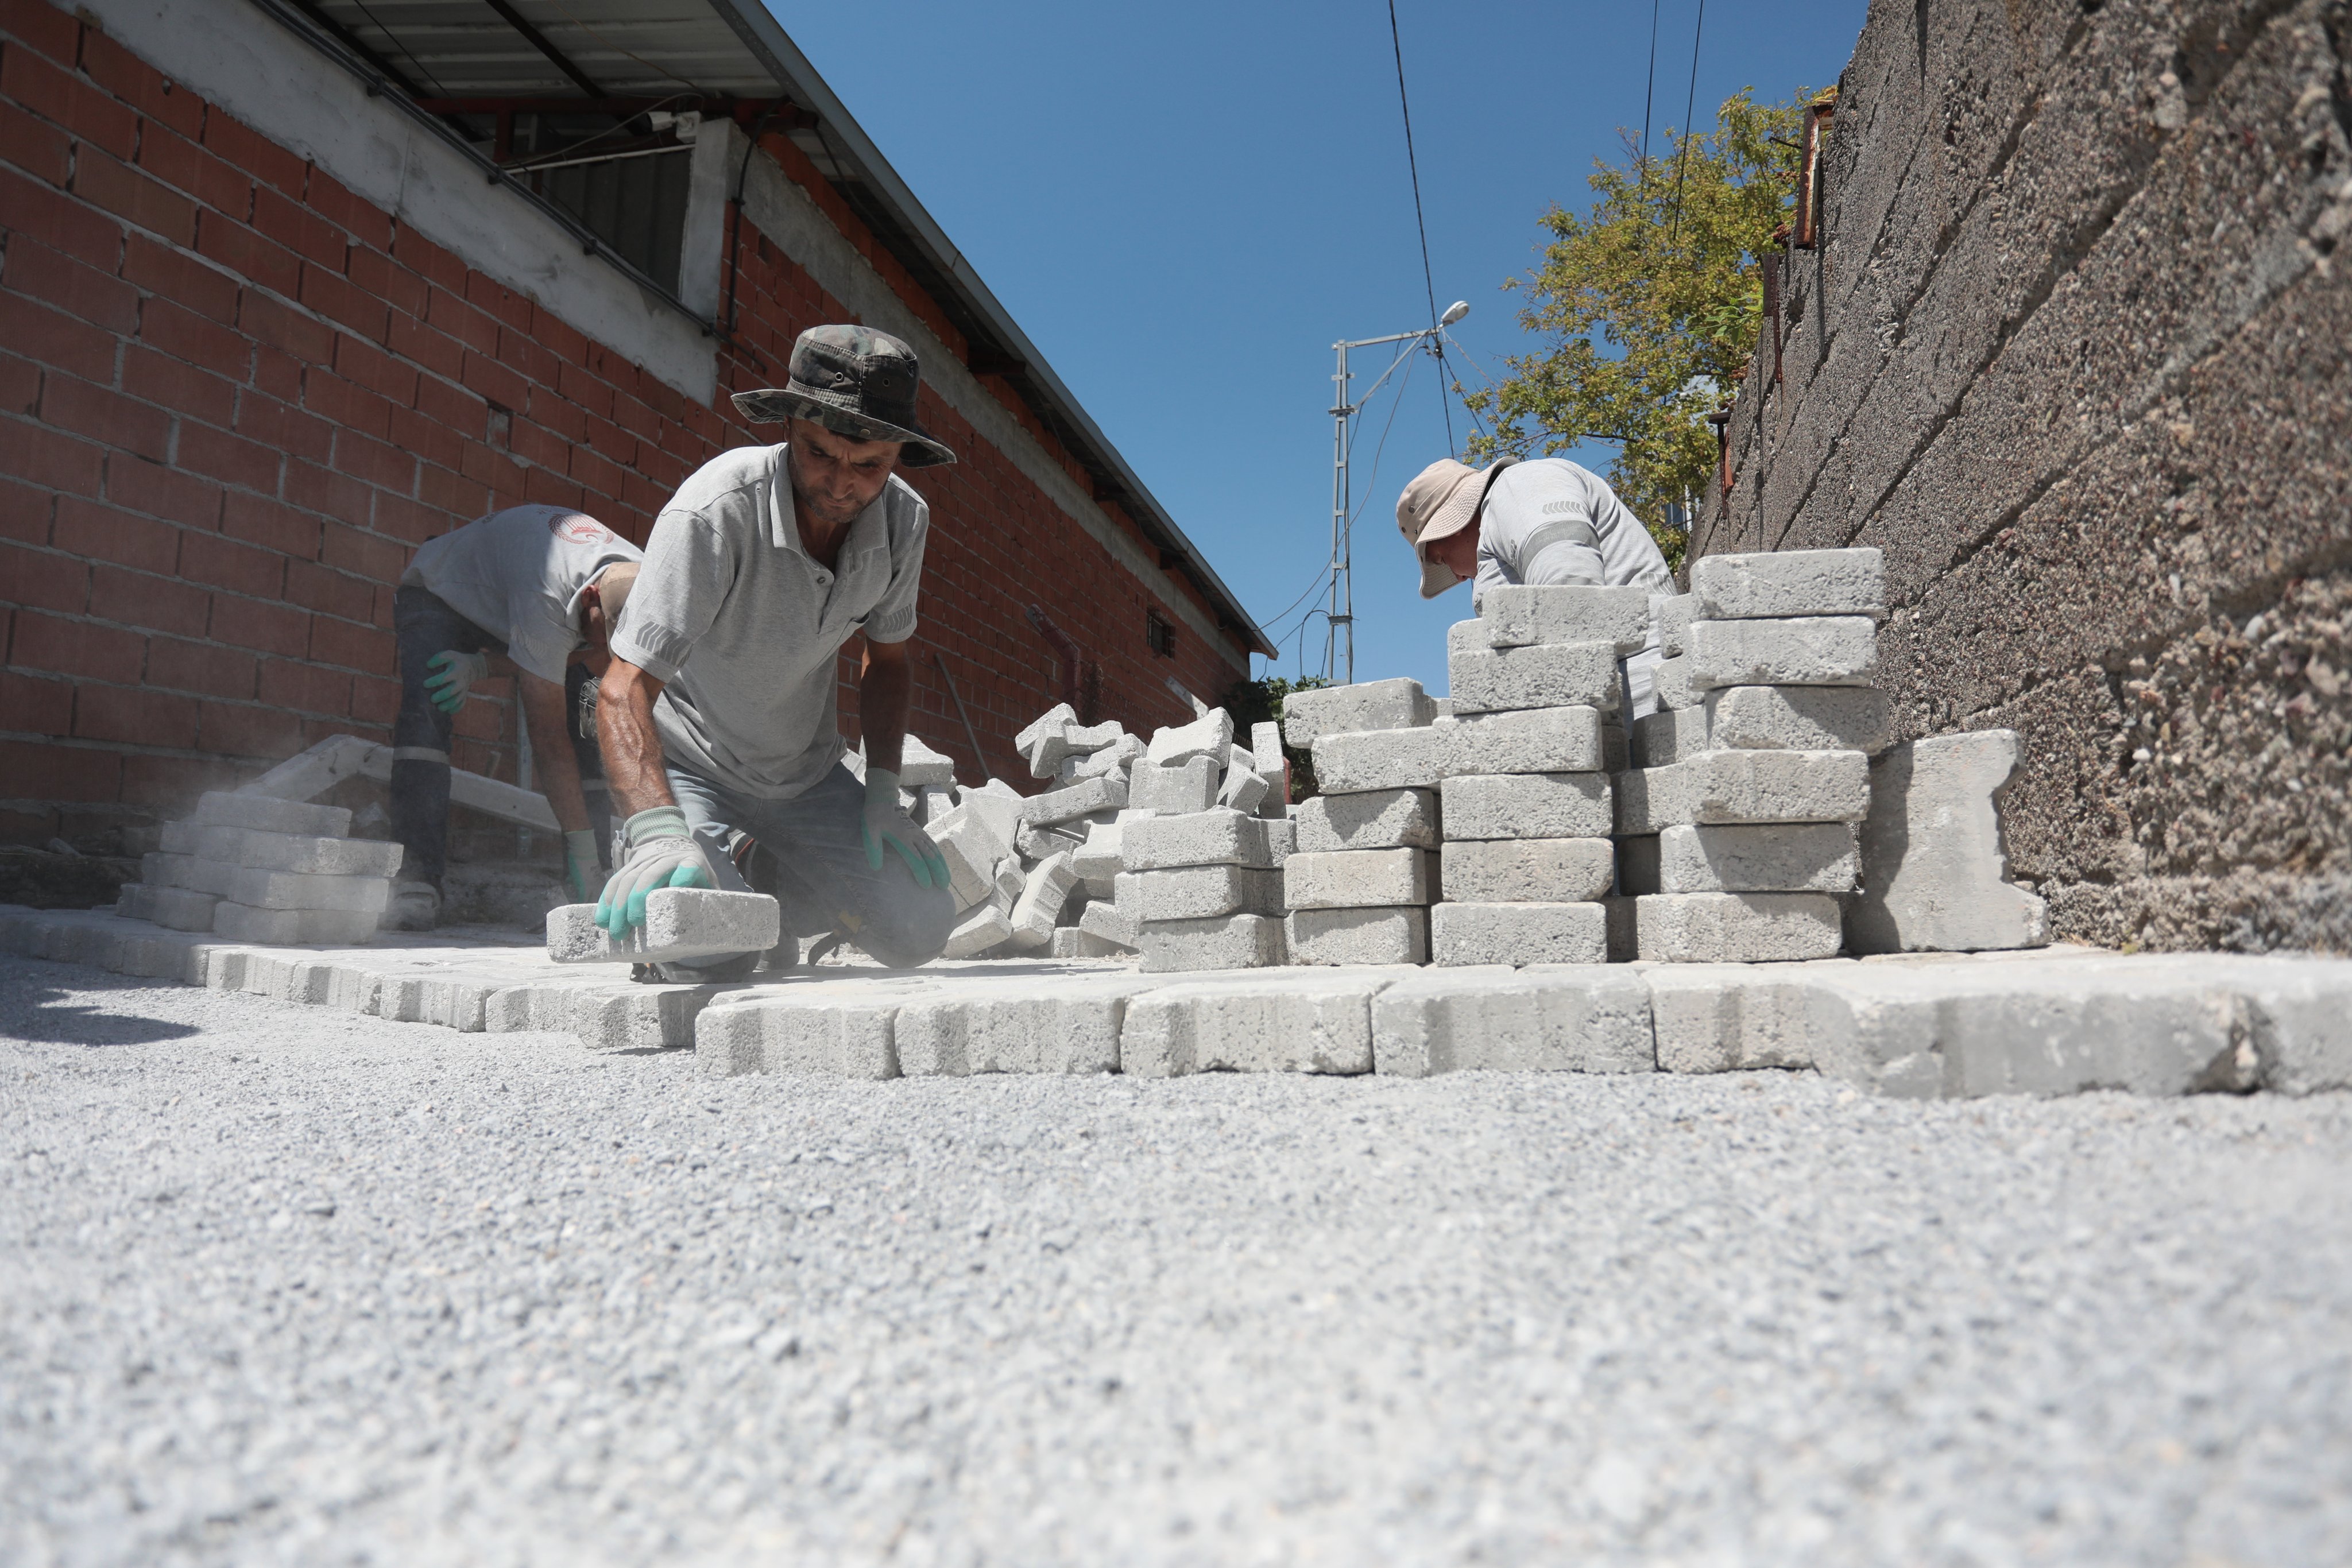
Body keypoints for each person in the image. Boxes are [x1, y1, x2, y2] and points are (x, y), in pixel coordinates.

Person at [594, 324, 957, 979]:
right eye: (820, 453)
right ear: (790, 427)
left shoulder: (904, 523)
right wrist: (656, 830)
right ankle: (694, 865)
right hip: (689, 766)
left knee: (920, 928)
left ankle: (763, 866)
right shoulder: (717, 510)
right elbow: (622, 688)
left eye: (869, 464)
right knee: (709, 944)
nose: (841, 483)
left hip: (803, 776)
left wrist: (880, 794)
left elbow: (889, 660)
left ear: (898, 456)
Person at [386, 506, 643, 930]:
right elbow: (547, 738)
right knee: (426, 716)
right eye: (603, 643)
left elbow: (584, 651)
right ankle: (418, 879)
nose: (606, 661)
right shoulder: (547, 592)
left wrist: (484, 666)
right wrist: (580, 853)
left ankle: (598, 880)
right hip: (444, 593)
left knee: (589, 722)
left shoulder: (650, 581)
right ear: (592, 600)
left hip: (524, 602)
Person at [1397, 455, 1677, 711]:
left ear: (1452, 528)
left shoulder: (1517, 488)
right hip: (1621, 712)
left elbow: (1571, 589)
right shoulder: (1502, 519)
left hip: (1645, 704)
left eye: (1440, 560)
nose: (1457, 577)